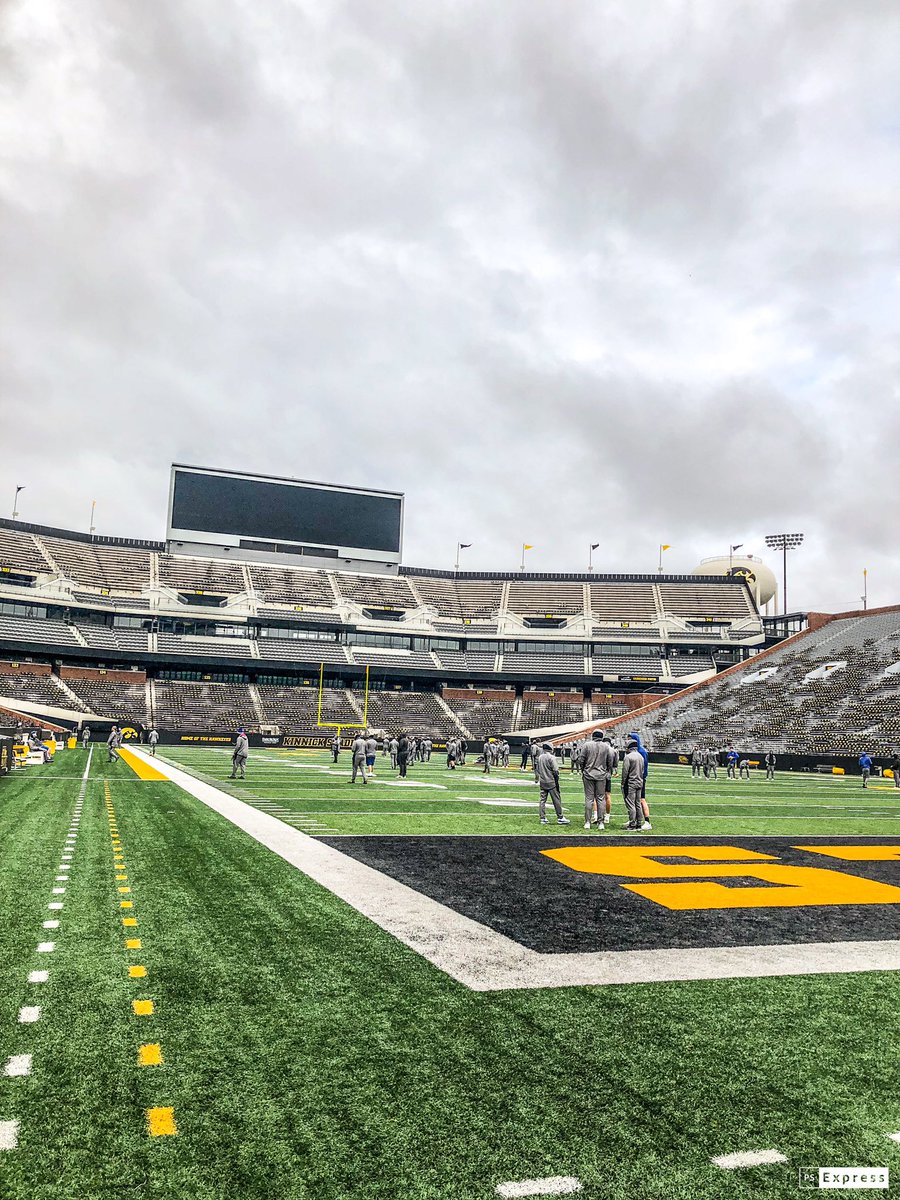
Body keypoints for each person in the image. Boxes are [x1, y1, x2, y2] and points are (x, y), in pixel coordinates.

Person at [579, 731, 614, 831]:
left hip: (588, 774)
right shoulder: (606, 747)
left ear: (592, 736)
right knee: (600, 799)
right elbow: (610, 761)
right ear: (602, 737)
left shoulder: (586, 745)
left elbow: (581, 760)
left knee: (589, 799)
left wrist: (584, 770)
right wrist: (607, 771)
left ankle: (587, 822)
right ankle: (601, 822)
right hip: (601, 775)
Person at [536, 743, 570, 826]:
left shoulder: (540, 757)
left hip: (543, 781)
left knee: (542, 800)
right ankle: (560, 817)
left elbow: (538, 769)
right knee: (556, 800)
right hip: (551, 781)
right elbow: (555, 770)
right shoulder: (551, 757)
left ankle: (542, 818)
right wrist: (557, 781)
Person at [627, 731, 652, 830]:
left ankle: (647, 821)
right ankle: (635, 819)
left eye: (629, 738)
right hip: (638, 778)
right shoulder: (638, 751)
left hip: (639, 779)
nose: (627, 740)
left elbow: (643, 767)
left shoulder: (641, 752)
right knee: (634, 800)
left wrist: (641, 777)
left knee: (641, 800)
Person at [621, 739, 646, 831]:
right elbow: (642, 771)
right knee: (637, 803)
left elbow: (625, 772)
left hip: (630, 783)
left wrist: (623, 783)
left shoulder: (628, 757)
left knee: (631, 804)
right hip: (639, 782)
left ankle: (632, 824)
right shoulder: (641, 757)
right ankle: (639, 823)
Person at [602, 733, 619, 825]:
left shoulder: (600, 749)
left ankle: (597, 815)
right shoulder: (613, 751)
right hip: (608, 775)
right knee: (607, 796)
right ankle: (607, 816)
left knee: (597, 797)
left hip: (599, 775)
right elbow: (615, 765)